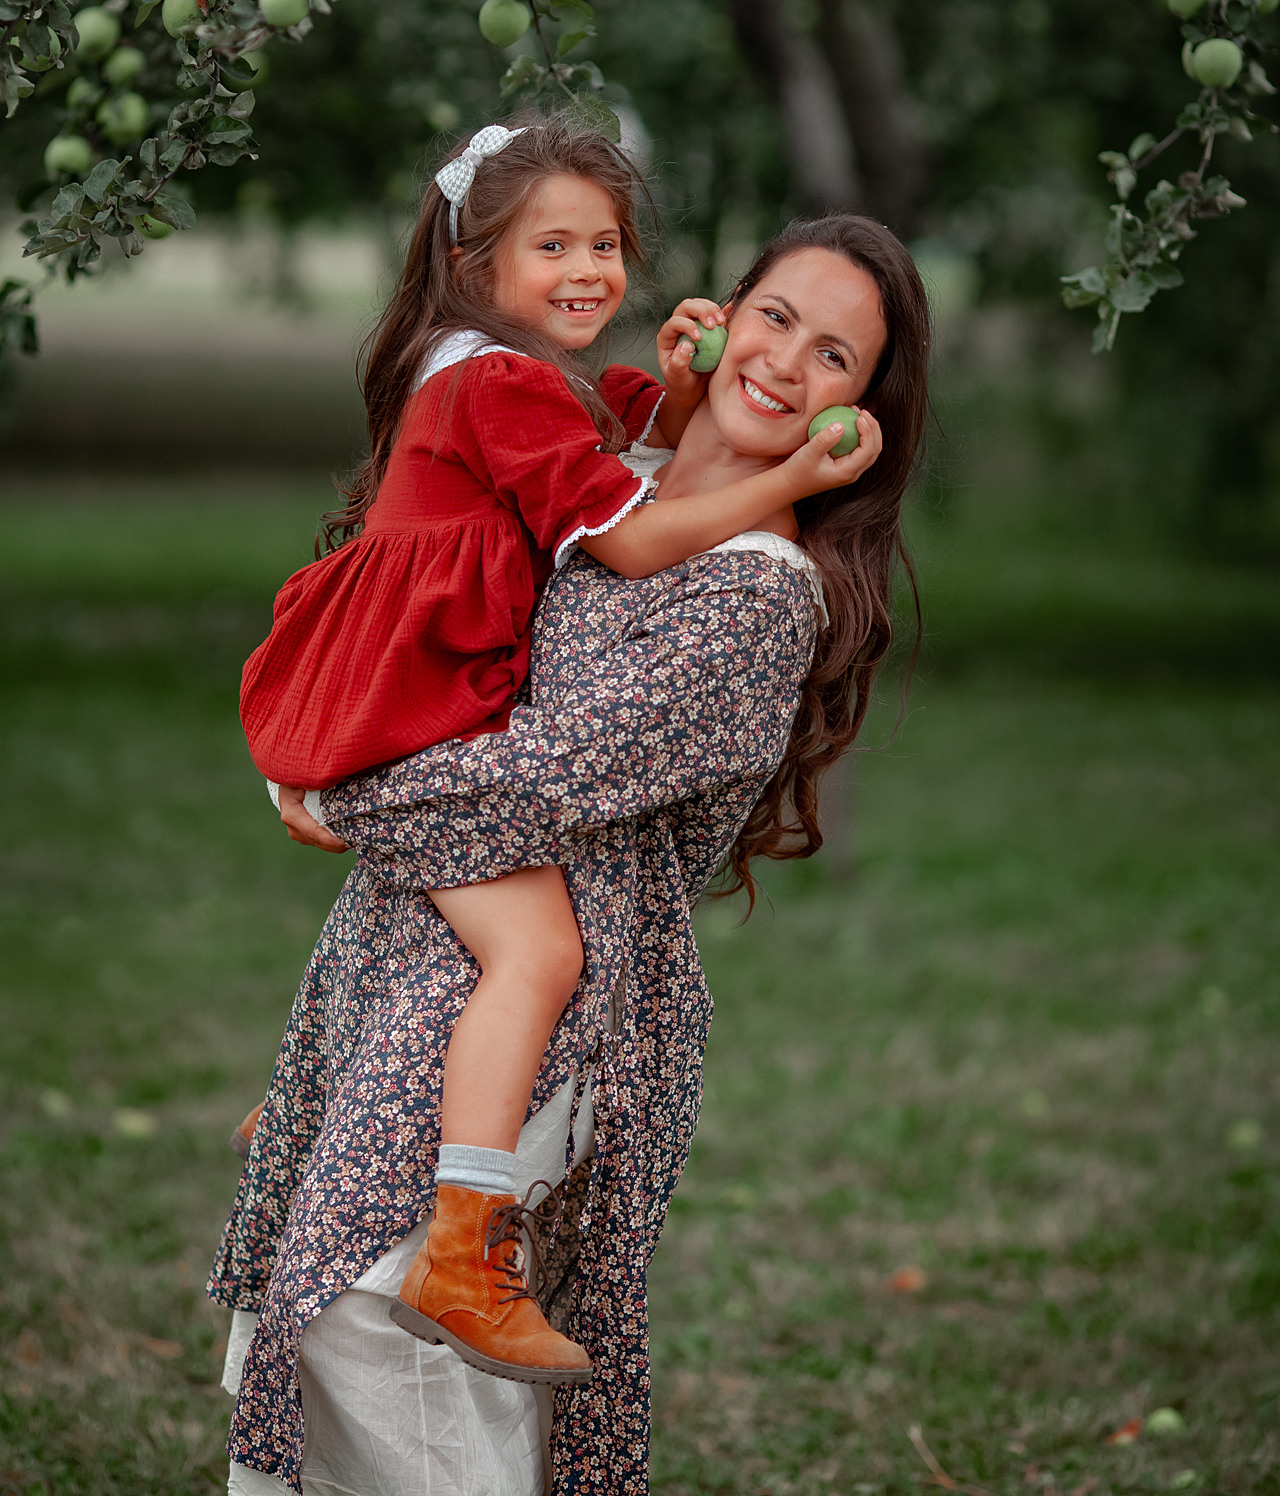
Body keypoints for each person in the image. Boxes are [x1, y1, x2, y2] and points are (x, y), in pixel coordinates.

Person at [210, 212, 930, 1496]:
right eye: (774, 317)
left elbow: (551, 772)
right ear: (721, 313)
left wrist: (337, 780)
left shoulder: (757, 595)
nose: (786, 364)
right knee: (327, 1308)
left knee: (372, 1320)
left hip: (556, 995)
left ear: (856, 415)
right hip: (411, 947)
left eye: (836, 358)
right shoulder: (611, 465)